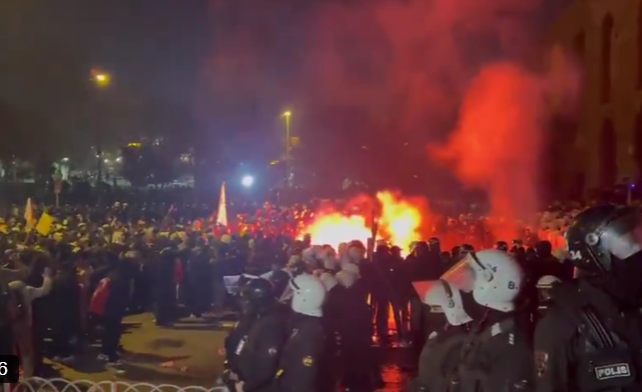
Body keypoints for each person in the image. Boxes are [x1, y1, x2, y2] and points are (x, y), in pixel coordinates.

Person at [534, 205, 642, 392]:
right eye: (629, 243)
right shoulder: (561, 325)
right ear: (594, 253)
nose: (638, 251)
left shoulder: (633, 305)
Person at [442, 249, 534, 392]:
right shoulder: (485, 331)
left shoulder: (509, 348)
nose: (463, 290)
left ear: (492, 288)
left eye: (470, 282)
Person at [409, 278, 472, 392]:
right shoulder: (439, 340)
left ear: (450, 311)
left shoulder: (457, 347)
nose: (427, 315)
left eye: (433, 309)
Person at [229, 278, 289, 392]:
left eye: (247, 300)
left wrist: (246, 387)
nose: (245, 303)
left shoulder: (271, 324)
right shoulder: (261, 316)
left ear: (258, 300)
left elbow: (266, 367)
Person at [271, 273, 327, 392]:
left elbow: (303, 380)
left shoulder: (308, 335)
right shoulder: (304, 323)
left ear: (303, 298)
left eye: (294, 293)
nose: (290, 297)